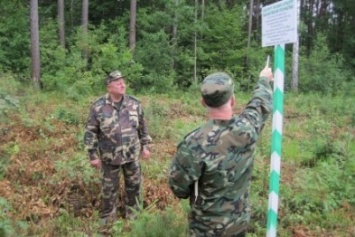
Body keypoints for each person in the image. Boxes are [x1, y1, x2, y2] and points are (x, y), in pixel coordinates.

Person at [168, 66, 273, 237]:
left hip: (205, 229)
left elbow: (178, 188)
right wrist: (263, 79)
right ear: (233, 100)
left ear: (203, 102)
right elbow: (259, 104)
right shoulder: (248, 128)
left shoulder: (194, 143)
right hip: (238, 224)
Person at [84, 70, 152, 223]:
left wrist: (146, 147)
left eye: (123, 81)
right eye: (118, 82)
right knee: (109, 191)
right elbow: (90, 132)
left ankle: (134, 218)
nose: (122, 84)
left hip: (131, 156)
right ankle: (108, 220)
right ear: (109, 87)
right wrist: (92, 155)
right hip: (110, 158)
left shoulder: (134, 104)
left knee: (134, 188)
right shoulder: (98, 107)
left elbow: (143, 128)